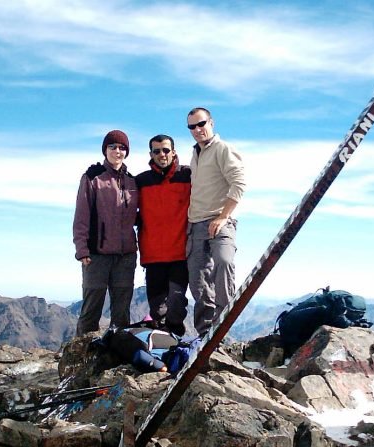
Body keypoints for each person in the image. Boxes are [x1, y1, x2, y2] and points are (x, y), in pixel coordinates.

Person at [186, 107, 246, 336]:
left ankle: (223, 327)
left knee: (224, 262)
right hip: (196, 224)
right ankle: (204, 334)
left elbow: (239, 183)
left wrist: (223, 216)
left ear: (211, 122)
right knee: (198, 281)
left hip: (220, 221)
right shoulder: (195, 154)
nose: (197, 130)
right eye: (192, 126)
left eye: (201, 124)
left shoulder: (222, 149)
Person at [73, 130, 139, 336]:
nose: (117, 151)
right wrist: (82, 249)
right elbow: (82, 215)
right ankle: (80, 359)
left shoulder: (132, 181)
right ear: (105, 150)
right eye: (112, 147)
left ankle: (117, 356)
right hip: (96, 254)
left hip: (125, 255)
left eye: (122, 148)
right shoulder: (93, 177)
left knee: (121, 311)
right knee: (92, 308)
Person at [135, 134, 191, 336]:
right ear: (151, 154)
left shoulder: (188, 176)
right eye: (157, 151)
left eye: (166, 150)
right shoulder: (140, 181)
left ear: (174, 152)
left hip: (180, 253)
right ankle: (161, 347)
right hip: (153, 255)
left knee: (176, 305)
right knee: (157, 309)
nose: (162, 154)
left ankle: (176, 341)